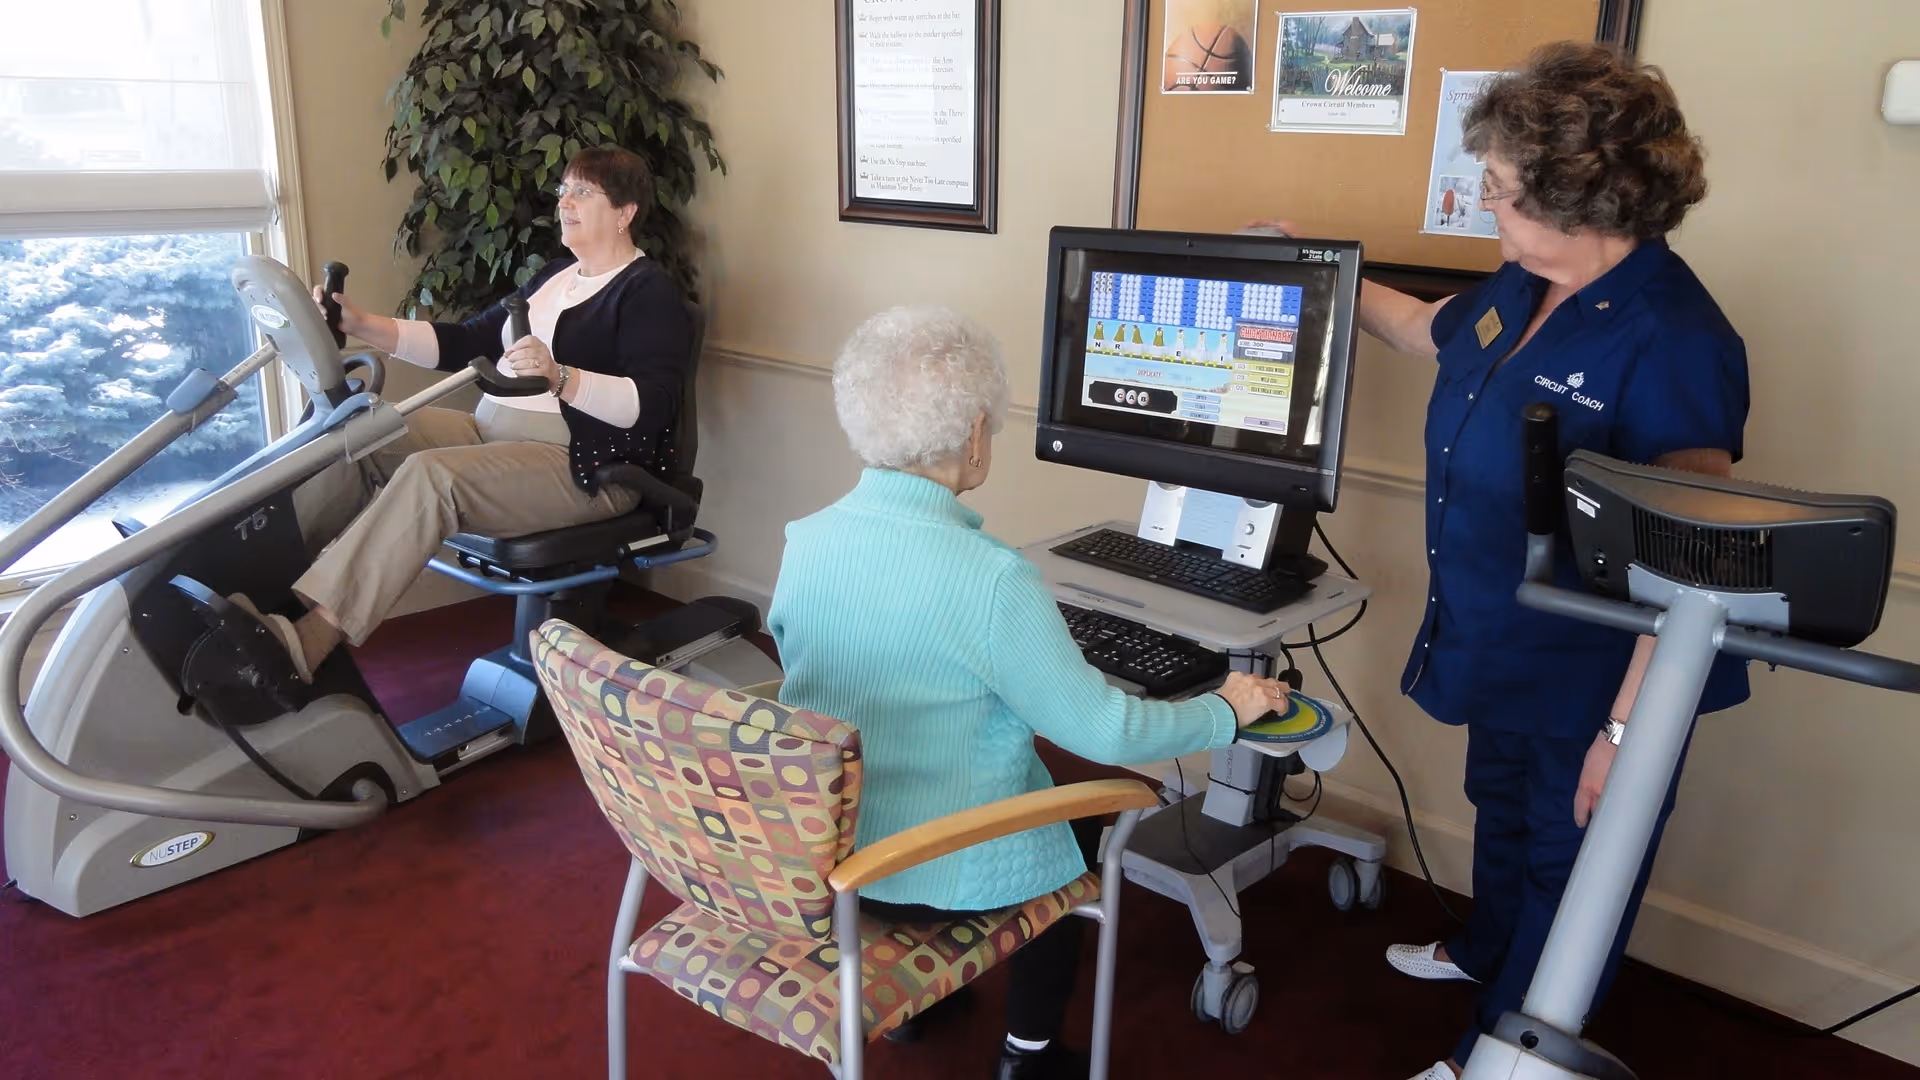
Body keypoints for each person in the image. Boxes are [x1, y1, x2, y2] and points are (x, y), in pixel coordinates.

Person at [1261, 41, 1750, 1079]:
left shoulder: (1677, 342)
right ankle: (1484, 950)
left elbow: (1695, 564)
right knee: (1505, 812)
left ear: (1583, 202)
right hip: (1503, 635)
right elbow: (1424, 329)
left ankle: (1506, 1051)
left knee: (1571, 865)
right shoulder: (1524, 287)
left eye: (1499, 190)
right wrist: (1319, 267)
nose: (1486, 207)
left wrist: (1629, 732)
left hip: (1598, 674)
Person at [767, 306, 1291, 1080]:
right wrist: (1226, 711)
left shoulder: (805, 540)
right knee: (1078, 829)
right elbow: (1105, 732)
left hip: (825, 849)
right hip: (942, 870)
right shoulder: (994, 579)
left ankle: (922, 1006)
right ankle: (1030, 1055)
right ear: (976, 434)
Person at [235, 146, 693, 680]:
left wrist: (562, 377)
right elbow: (465, 341)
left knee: (434, 477)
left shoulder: (648, 291)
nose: (565, 202)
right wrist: (359, 323)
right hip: (490, 432)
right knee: (357, 426)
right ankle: (261, 594)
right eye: (563, 190)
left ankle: (308, 641)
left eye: (583, 192)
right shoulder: (555, 275)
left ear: (625, 211)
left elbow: (654, 407)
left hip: (582, 464)